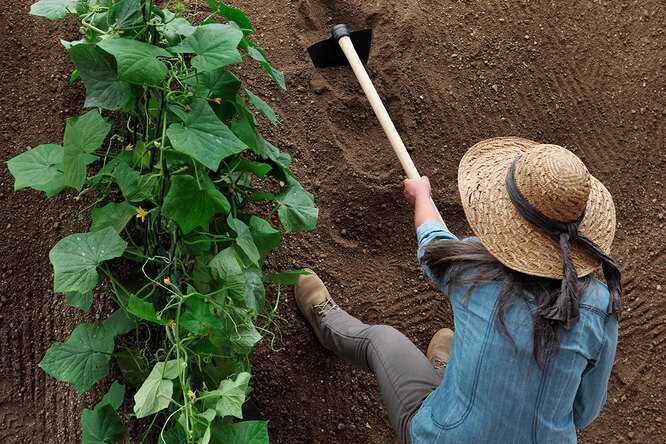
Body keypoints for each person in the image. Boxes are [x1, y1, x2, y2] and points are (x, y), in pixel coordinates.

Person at [295, 137, 621, 443]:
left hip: (447, 437)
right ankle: (446, 372)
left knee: (380, 339)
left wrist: (422, 196)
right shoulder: (599, 305)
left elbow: (433, 243)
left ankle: (326, 320)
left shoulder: (474, 272)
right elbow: (582, 411)